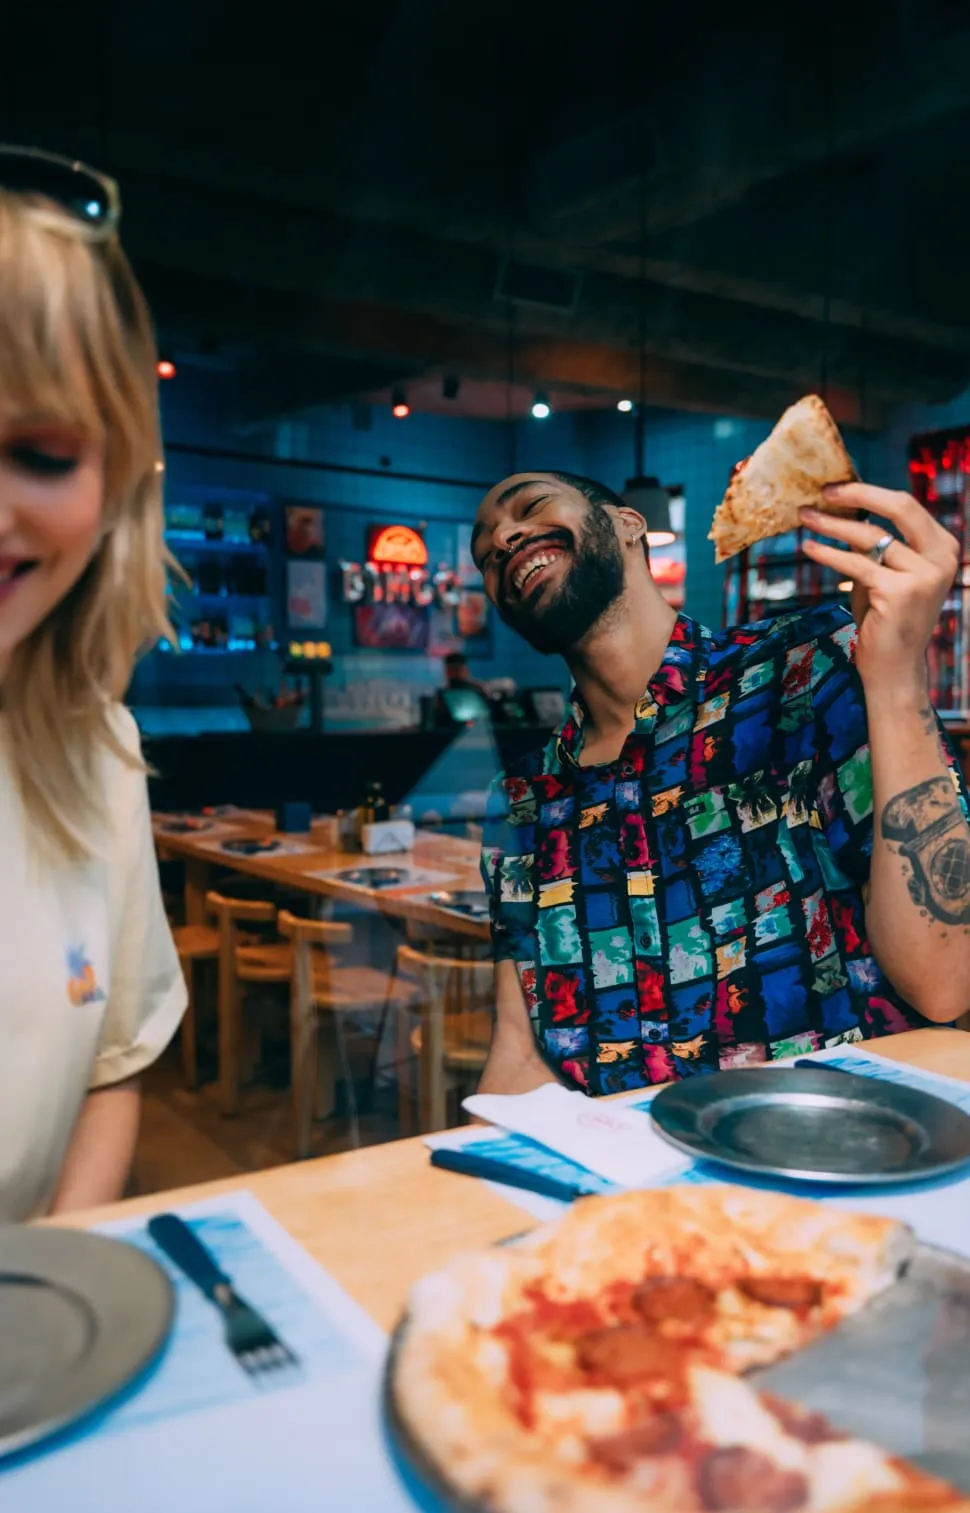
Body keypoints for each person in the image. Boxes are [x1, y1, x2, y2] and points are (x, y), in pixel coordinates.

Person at [471, 469, 970, 1097]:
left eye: (531, 505)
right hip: (630, 1178)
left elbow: (945, 982)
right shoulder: (522, 800)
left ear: (629, 527)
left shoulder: (801, 670)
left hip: (835, 1151)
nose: (504, 537)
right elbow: (520, 1056)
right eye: (486, 549)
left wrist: (897, 680)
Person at [0, 147, 186, 1219]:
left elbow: (112, 1069)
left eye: (39, 452)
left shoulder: (99, 747)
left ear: (112, 481)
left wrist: (50, 1298)